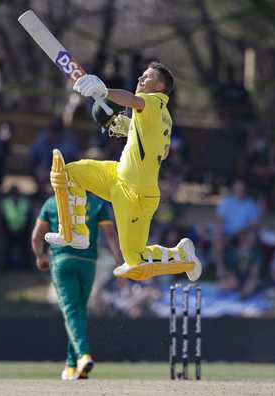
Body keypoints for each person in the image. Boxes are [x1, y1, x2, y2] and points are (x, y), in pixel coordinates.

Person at [44, 62, 202, 283]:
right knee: (69, 173)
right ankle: (77, 232)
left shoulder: (154, 102)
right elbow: (160, 150)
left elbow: (134, 100)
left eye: (147, 77)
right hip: (117, 177)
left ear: (160, 87)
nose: (140, 79)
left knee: (135, 261)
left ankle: (183, 256)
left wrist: (104, 91)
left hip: (136, 196)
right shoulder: (162, 117)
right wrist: (124, 126)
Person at [32, 191, 123, 380]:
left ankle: (83, 355)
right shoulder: (97, 203)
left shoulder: (52, 202)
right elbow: (110, 234)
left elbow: (36, 238)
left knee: (71, 310)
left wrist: (40, 256)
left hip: (62, 260)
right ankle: (72, 366)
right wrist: (120, 265)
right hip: (87, 262)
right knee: (79, 311)